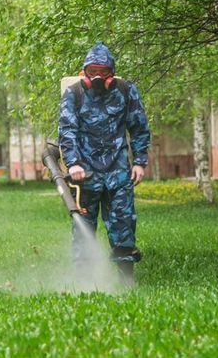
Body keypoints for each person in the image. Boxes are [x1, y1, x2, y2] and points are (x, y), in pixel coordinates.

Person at [58, 42, 151, 285]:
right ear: (84, 73)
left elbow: (139, 128)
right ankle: (85, 282)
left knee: (123, 228)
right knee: (83, 229)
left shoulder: (125, 91)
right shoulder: (74, 94)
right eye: (92, 72)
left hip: (119, 174)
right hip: (84, 177)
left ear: (111, 73)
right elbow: (67, 131)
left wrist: (139, 162)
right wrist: (73, 164)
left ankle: (126, 280)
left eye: (103, 71)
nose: (97, 77)